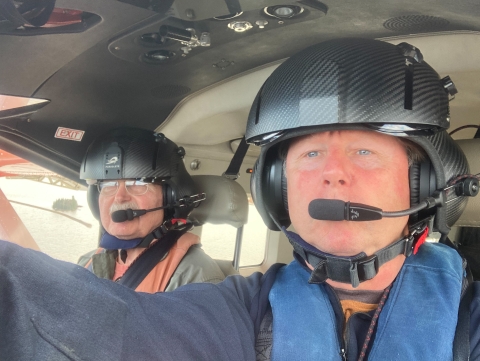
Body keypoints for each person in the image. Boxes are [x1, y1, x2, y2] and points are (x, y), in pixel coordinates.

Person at [0, 38, 479, 361]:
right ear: (277, 189)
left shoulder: (469, 317)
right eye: (309, 153)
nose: (333, 172)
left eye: (364, 151)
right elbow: (113, 328)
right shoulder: (244, 309)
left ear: (426, 185)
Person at [77, 128, 226, 292]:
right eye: (108, 185)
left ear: (170, 197)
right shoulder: (87, 263)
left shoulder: (195, 279)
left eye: (137, 184)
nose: (119, 198)